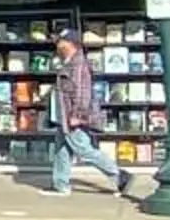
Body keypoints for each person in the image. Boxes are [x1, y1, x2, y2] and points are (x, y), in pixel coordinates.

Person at [44, 31, 131, 199]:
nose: (57, 45)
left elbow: (83, 93)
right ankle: (60, 184)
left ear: (71, 44)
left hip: (72, 116)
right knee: (62, 149)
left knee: (83, 149)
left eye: (61, 42)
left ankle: (119, 175)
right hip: (63, 115)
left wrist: (77, 115)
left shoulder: (78, 64)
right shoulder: (68, 62)